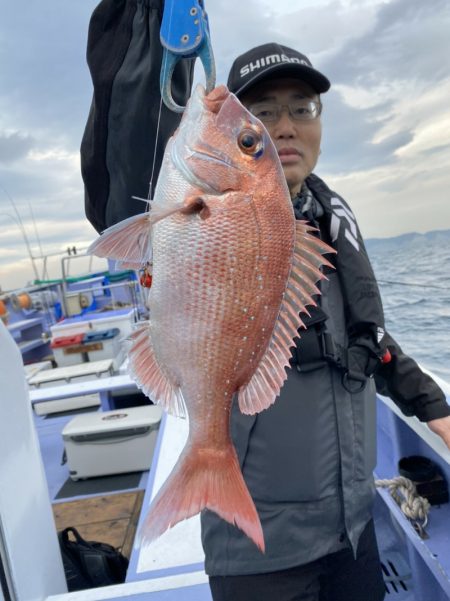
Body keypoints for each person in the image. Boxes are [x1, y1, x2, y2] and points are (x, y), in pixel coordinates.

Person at [80, 4, 450, 600]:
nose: (284, 126)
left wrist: (431, 402)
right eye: (262, 115)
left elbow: (364, 336)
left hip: (353, 526)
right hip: (261, 546)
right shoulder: (182, 192)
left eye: (302, 109)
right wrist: (141, 27)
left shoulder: (328, 224)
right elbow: (120, 166)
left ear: (321, 121)